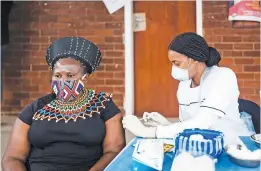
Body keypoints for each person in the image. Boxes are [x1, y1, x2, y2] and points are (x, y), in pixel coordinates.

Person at [2, 37, 125, 171]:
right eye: (58, 76)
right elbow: (13, 158)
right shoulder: (36, 108)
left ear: (85, 78)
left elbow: (114, 151)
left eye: (70, 75)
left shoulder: (104, 106)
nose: (63, 81)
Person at [123, 32, 250, 146]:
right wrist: (166, 125)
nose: (174, 68)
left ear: (194, 59)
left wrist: (150, 132)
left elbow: (203, 122)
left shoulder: (223, 76)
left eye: (177, 63)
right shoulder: (184, 85)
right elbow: (189, 127)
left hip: (230, 144)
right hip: (199, 145)